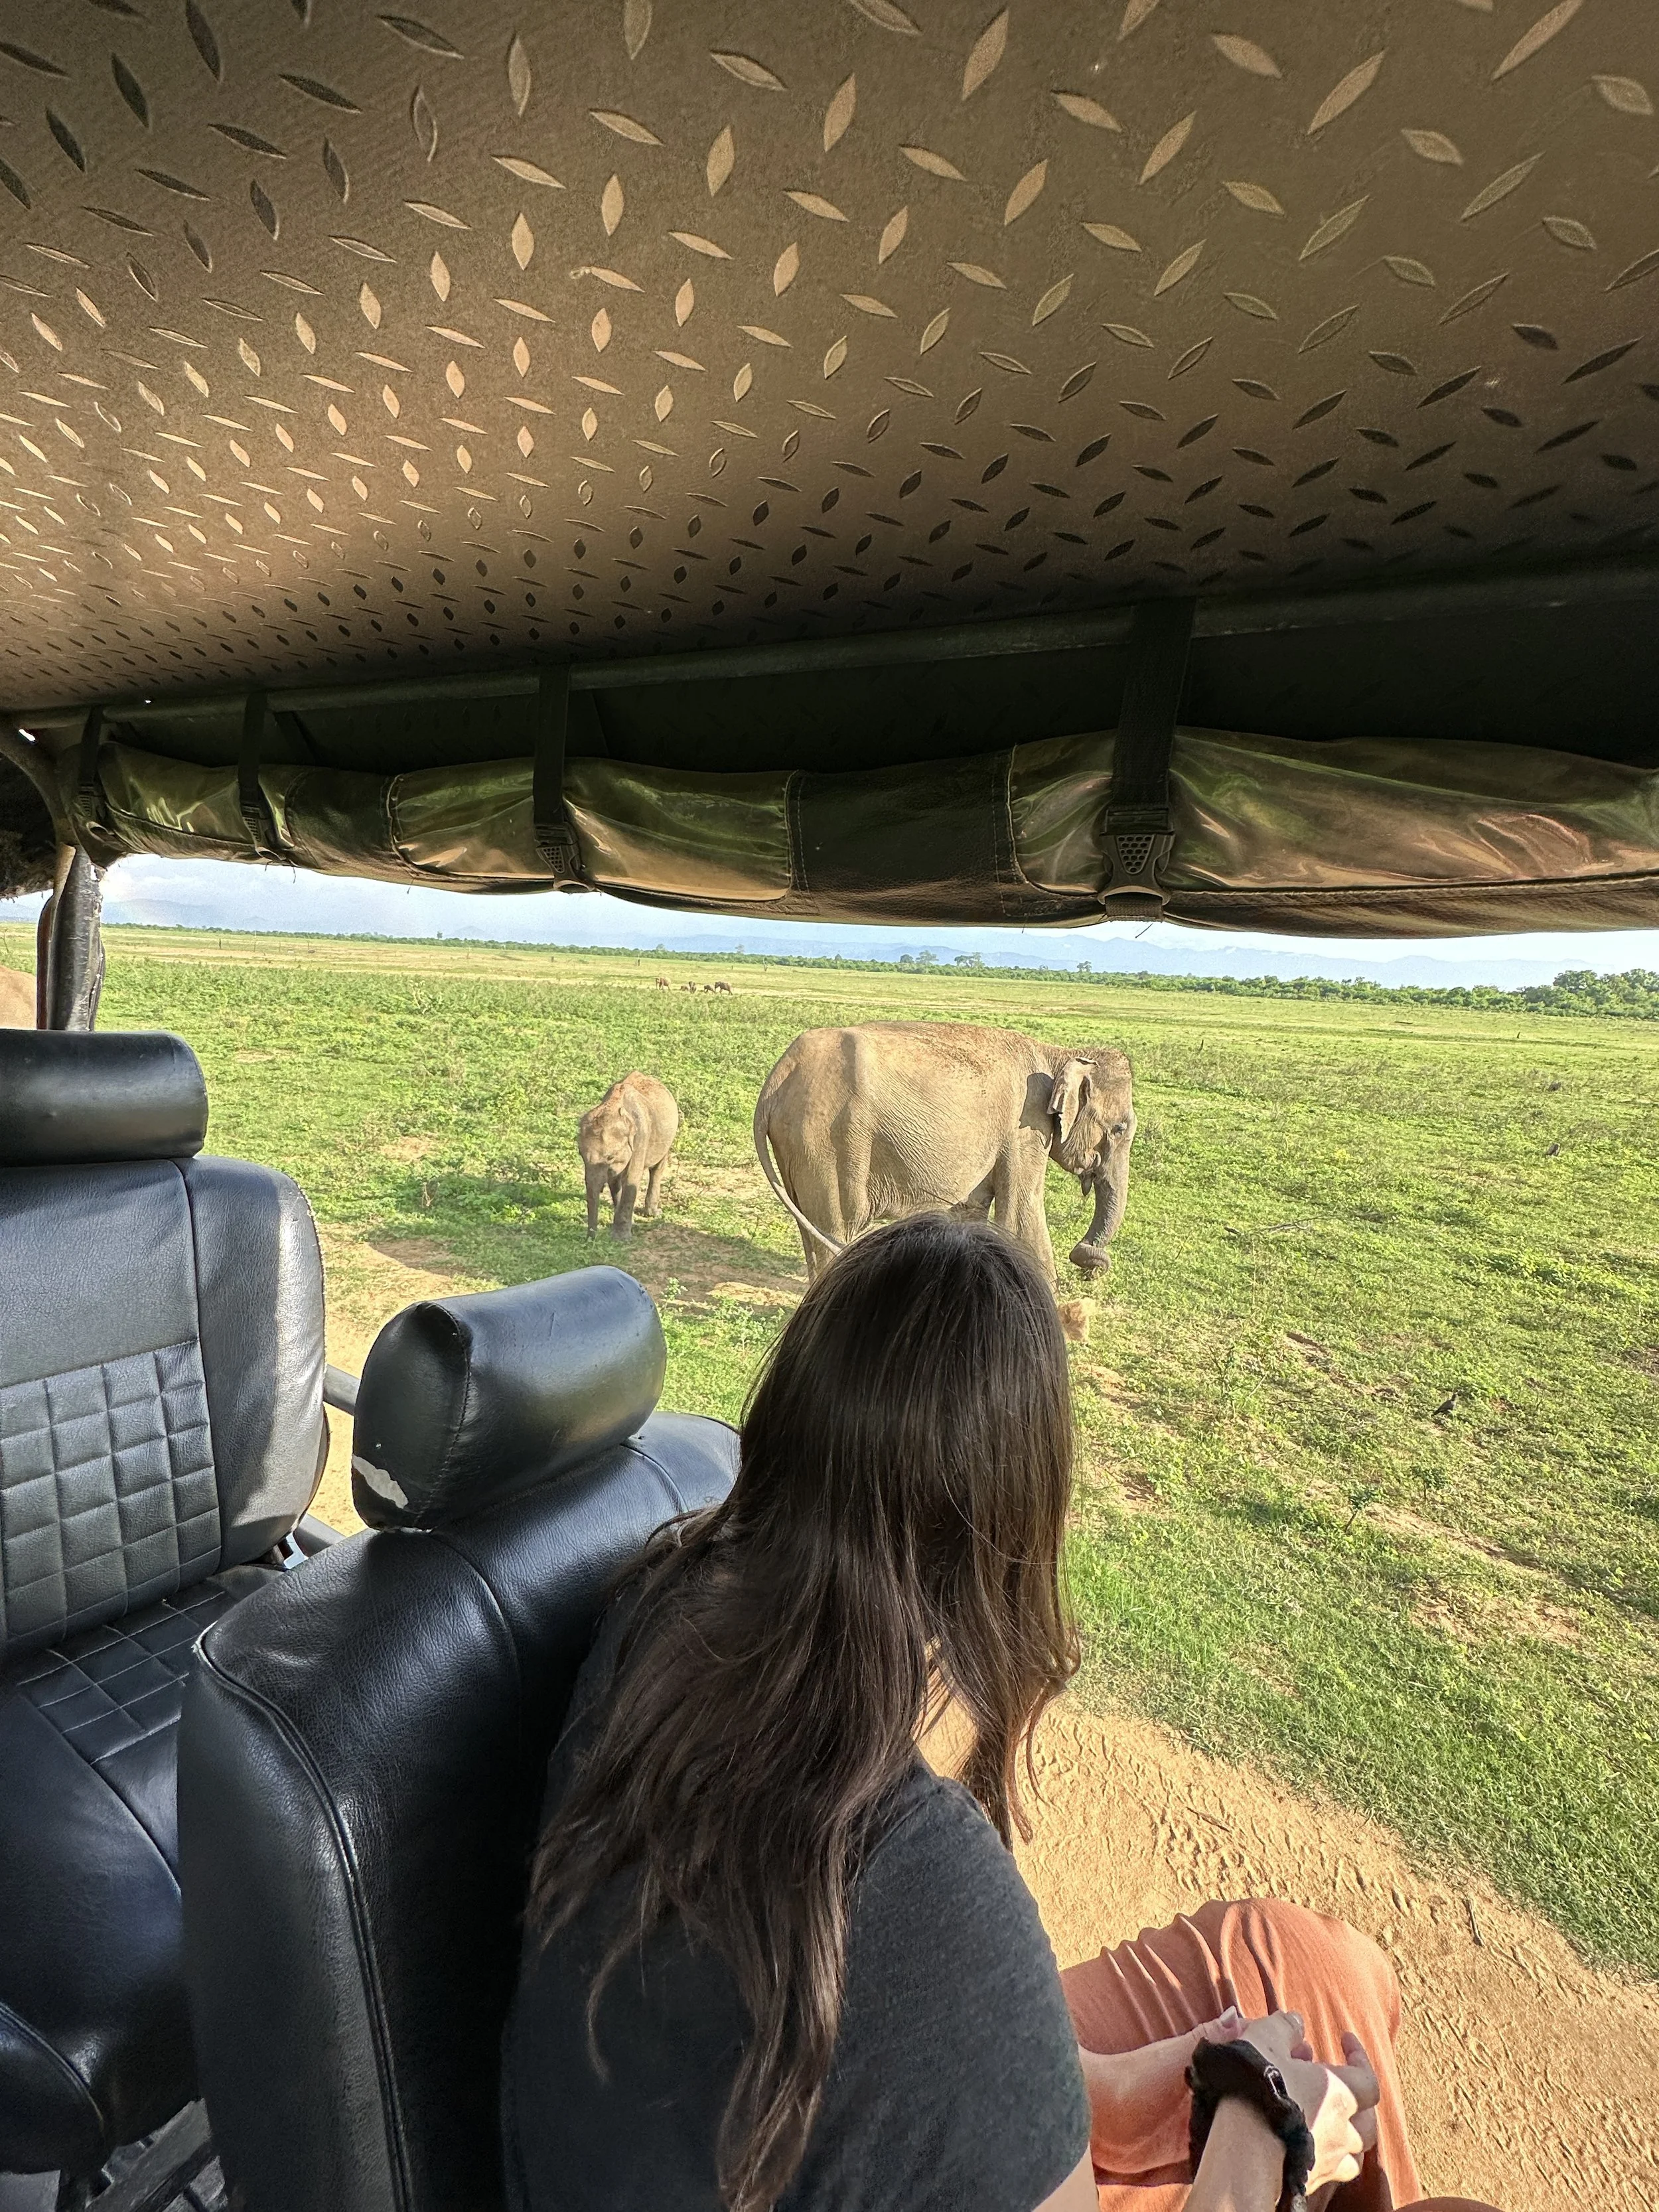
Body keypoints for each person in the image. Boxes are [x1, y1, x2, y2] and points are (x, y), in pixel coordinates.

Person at [502, 1215, 1500, 2212]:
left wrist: (1109, 2088)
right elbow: (916, 1977)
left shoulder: (658, 1607)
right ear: (1020, 1535)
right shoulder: (919, 1883)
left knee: (1307, 1962)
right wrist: (1262, 2124)